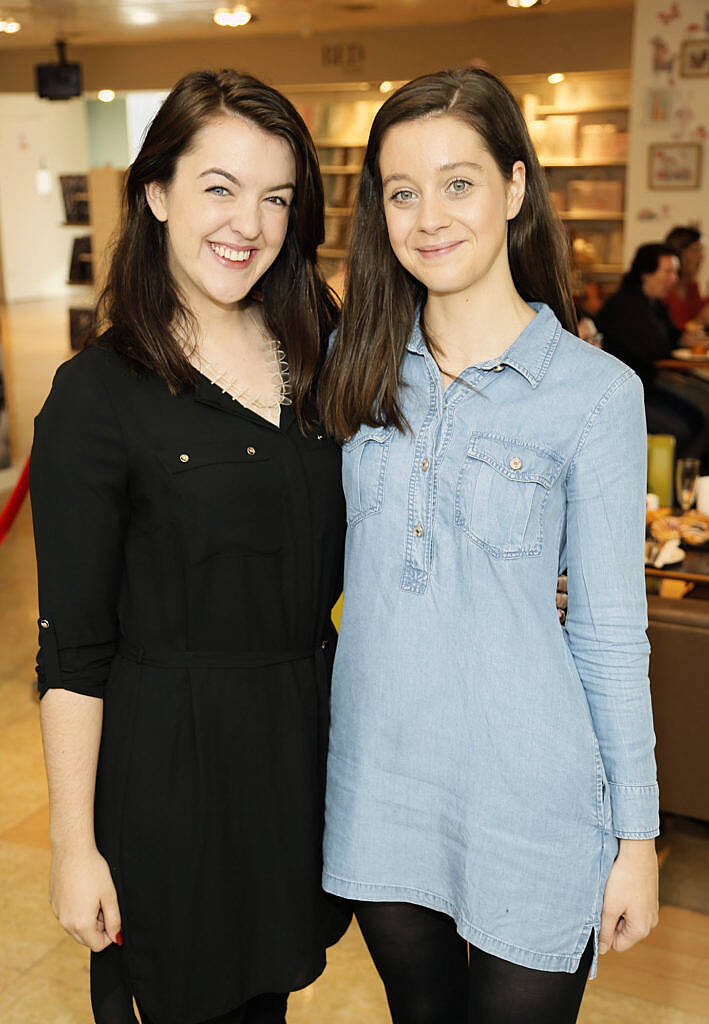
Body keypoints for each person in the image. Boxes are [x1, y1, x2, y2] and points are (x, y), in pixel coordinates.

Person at [320, 68, 659, 1024]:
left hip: (531, 803)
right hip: (381, 786)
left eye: (458, 182)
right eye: (401, 190)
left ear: (514, 188)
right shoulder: (353, 368)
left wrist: (635, 839)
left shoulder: (594, 394)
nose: (429, 215)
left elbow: (606, 635)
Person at [30, 70, 350, 1024]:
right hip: (168, 776)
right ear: (157, 193)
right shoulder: (97, 396)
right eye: (219, 187)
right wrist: (72, 845)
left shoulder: (320, 347)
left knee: (265, 1005)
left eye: (275, 197)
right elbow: (74, 654)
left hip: (294, 759)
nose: (247, 222)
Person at [596, 243, 705, 462]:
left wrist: (684, 338)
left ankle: (687, 481)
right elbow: (655, 349)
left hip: (646, 385)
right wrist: (680, 341)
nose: (674, 278)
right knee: (685, 426)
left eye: (675, 272)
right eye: (668, 271)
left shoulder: (653, 304)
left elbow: (670, 338)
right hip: (620, 394)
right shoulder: (625, 307)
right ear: (646, 273)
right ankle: (678, 483)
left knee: (699, 414)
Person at [664, 225, 709, 331]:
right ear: (679, 254)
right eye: (695, 250)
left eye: (701, 250)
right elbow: (669, 335)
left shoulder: (691, 286)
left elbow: (699, 310)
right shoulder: (663, 289)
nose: (701, 256)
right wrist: (700, 320)